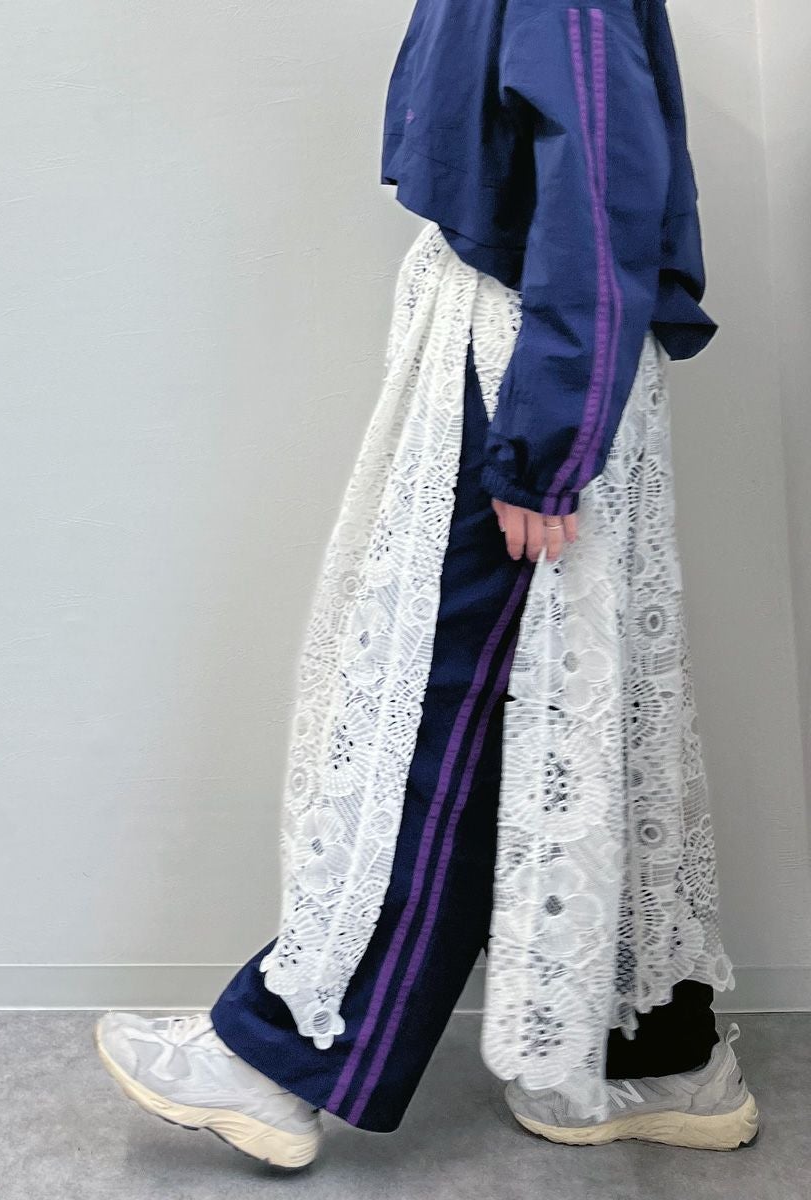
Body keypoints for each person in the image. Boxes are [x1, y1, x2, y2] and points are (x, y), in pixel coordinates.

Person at [94, 0, 759, 1168]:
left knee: (443, 711)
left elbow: (598, 192)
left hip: (522, 374)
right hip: (520, 358)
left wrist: (545, 444)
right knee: (561, 712)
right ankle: (646, 1054)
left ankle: (286, 1057)